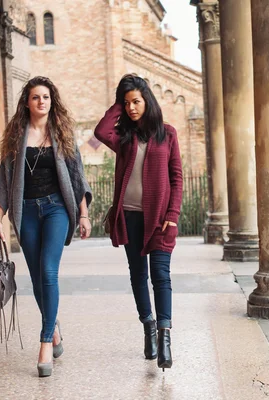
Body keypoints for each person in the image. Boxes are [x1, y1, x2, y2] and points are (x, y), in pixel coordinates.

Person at [0, 76, 92, 377]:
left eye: (46, 97)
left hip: (56, 208)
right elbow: (4, 180)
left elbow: (77, 176)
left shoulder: (62, 133)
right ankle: (54, 325)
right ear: (27, 102)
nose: (41, 102)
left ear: (52, 100)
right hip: (27, 211)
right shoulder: (16, 136)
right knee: (36, 279)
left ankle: (45, 340)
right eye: (35, 97)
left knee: (48, 271)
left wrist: (83, 214)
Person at [94, 74, 183, 371]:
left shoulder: (167, 134)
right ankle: (148, 326)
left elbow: (176, 178)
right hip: (130, 217)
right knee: (137, 274)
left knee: (161, 276)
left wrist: (172, 216)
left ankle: (165, 338)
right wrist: (118, 104)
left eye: (136, 102)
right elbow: (100, 130)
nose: (132, 108)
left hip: (160, 220)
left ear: (148, 102)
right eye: (127, 102)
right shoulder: (124, 137)